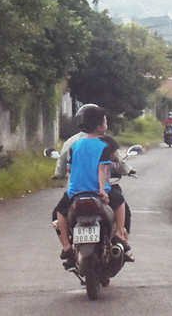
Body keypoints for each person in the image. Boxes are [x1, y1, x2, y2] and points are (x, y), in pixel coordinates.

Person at [53, 104, 129, 263]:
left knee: (59, 211)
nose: (106, 125)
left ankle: (66, 245)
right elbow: (102, 168)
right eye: (105, 122)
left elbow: (68, 167)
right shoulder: (104, 145)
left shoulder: (74, 145)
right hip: (97, 191)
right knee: (120, 202)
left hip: (75, 193)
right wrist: (102, 190)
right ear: (100, 127)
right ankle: (119, 234)